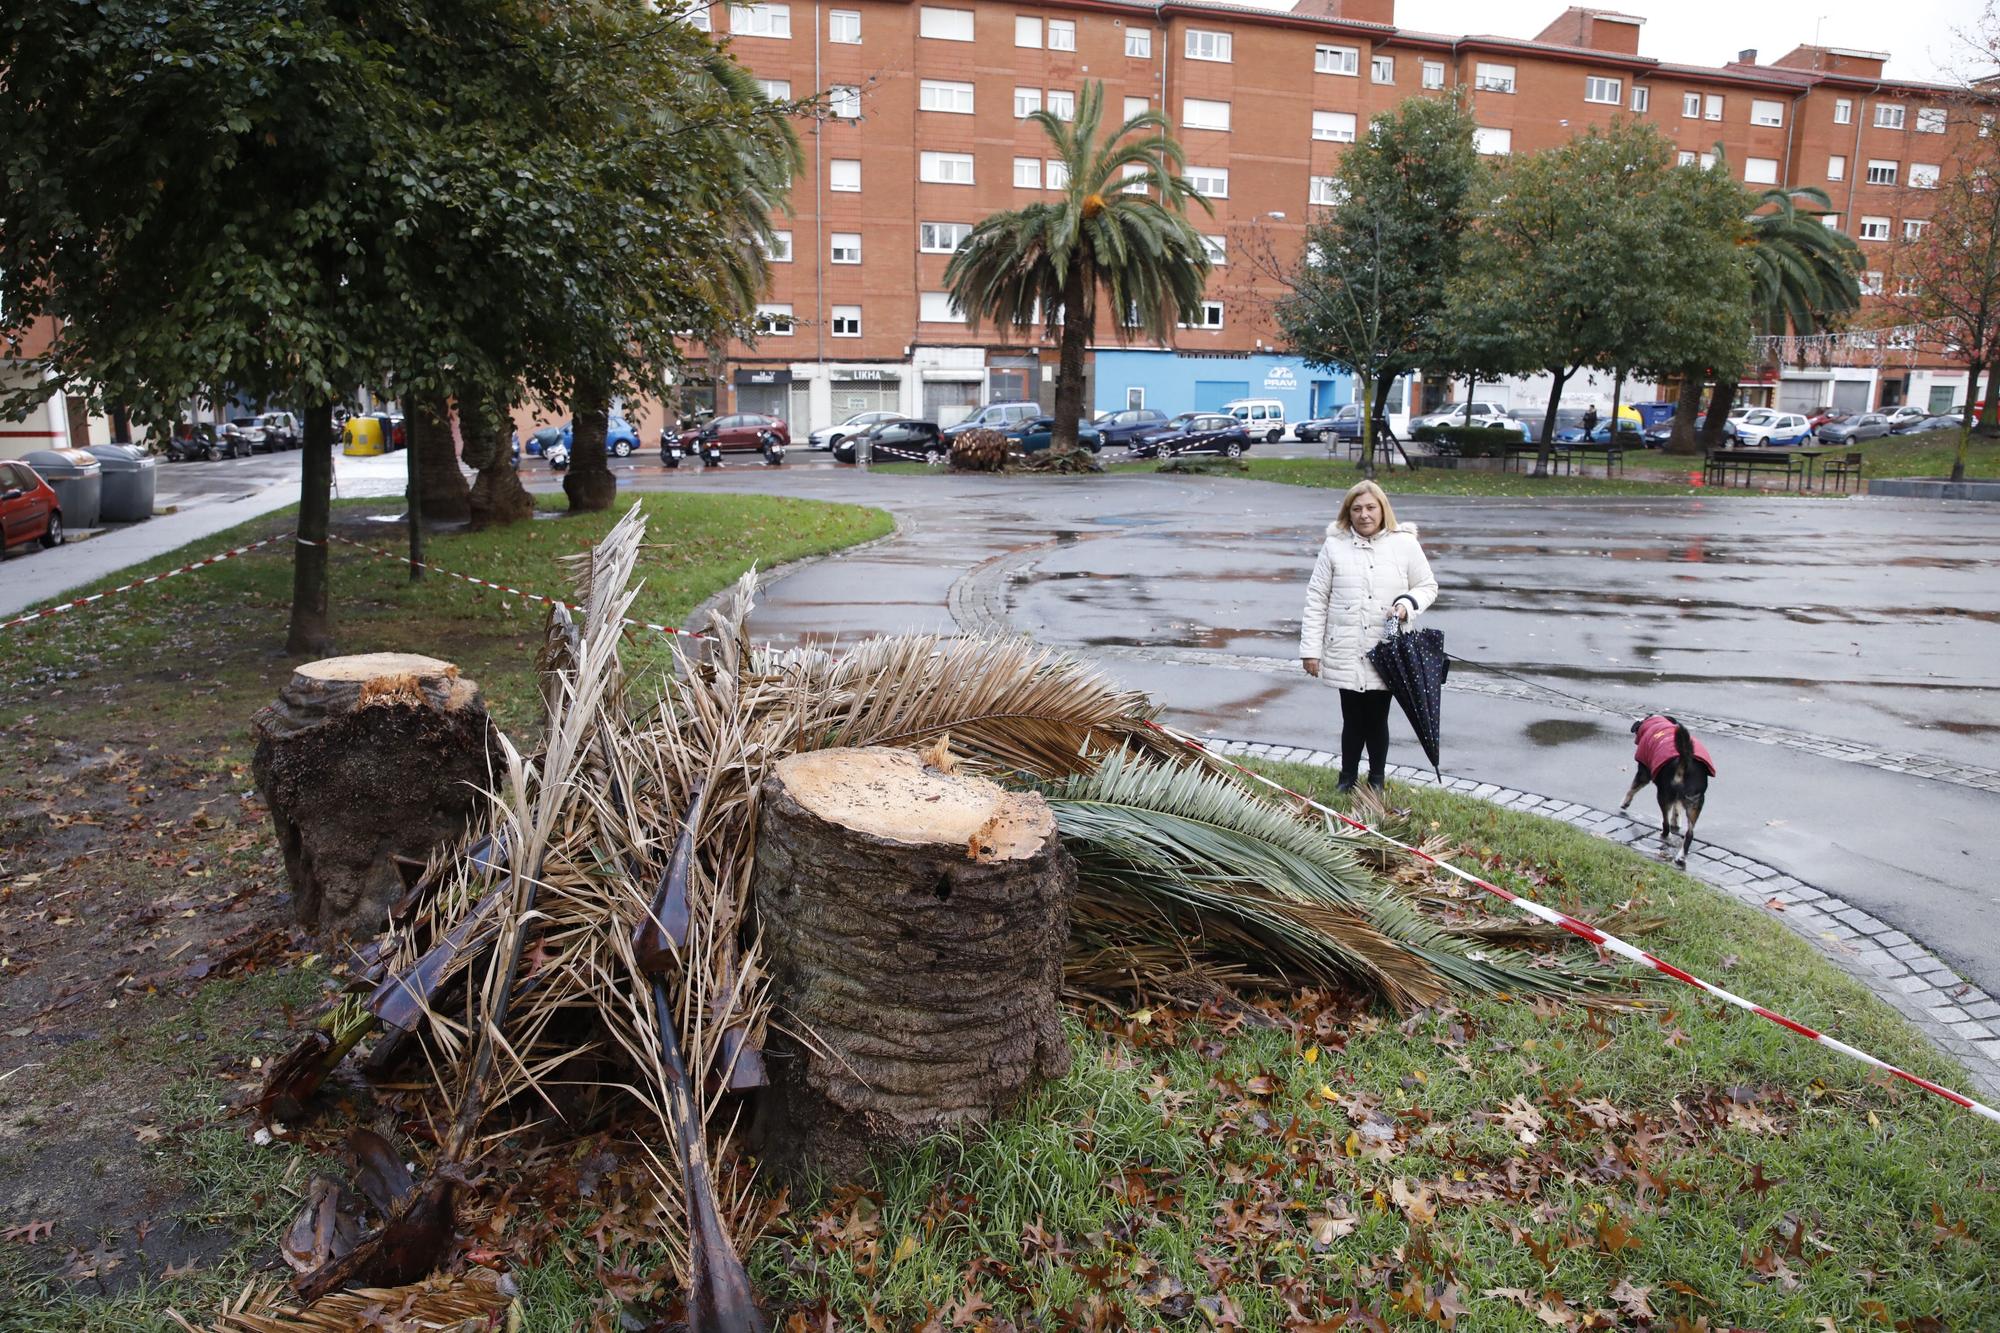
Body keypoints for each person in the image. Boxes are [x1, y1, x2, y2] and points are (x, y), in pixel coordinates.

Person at [1298, 480, 1439, 791]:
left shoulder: (1404, 544)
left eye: (1371, 507)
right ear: (1348, 513)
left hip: (1386, 651)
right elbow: (1317, 598)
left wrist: (1406, 605)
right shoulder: (1334, 546)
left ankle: (1376, 779)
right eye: (1357, 508)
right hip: (1345, 647)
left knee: (1377, 718)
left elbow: (1427, 586)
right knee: (1351, 718)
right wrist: (1311, 650)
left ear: (1383, 509)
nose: (1364, 515)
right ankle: (1346, 778)